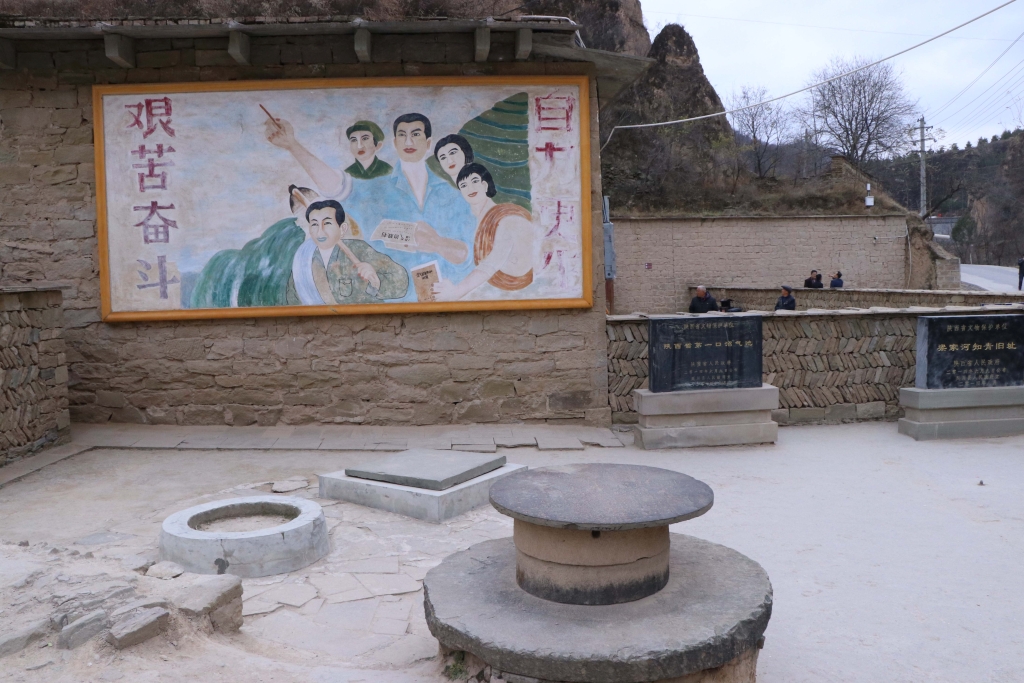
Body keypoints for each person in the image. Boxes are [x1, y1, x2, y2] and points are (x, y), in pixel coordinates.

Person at [432, 163, 535, 300]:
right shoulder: (470, 223)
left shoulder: (507, 219)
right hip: (490, 290)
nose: (470, 188)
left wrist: (456, 292)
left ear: (485, 185)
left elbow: (490, 264)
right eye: (463, 185)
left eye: (475, 181)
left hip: (516, 292)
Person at [288, 199, 408, 305]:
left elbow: (401, 281)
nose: (320, 231)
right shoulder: (303, 259)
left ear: (342, 229)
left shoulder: (358, 249)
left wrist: (377, 282)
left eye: (327, 223)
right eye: (314, 224)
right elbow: (292, 299)